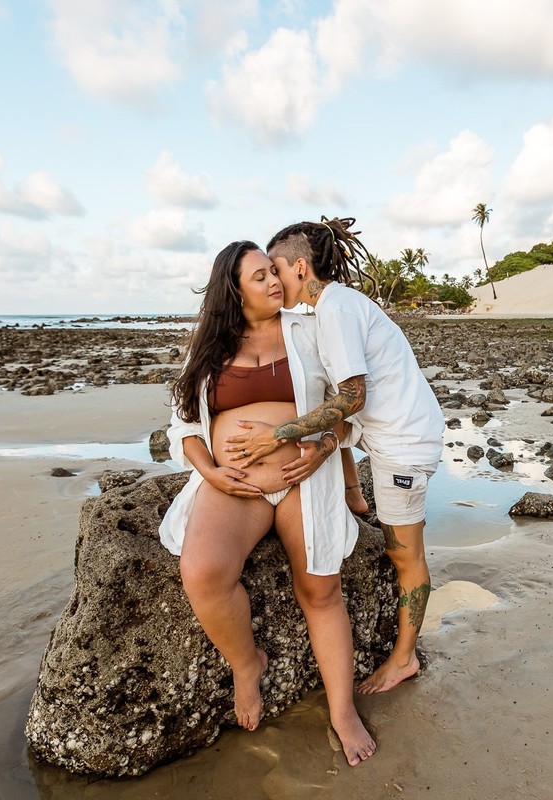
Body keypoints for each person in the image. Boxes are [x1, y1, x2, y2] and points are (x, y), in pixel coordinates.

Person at [157, 240, 376, 766]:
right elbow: (183, 425)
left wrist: (323, 447)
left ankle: (343, 711)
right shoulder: (208, 349)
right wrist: (210, 470)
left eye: (273, 272)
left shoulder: (311, 330)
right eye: (260, 277)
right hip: (237, 485)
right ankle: (246, 664)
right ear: (233, 292)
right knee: (203, 573)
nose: (275, 282)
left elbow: (351, 412)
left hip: (304, 478)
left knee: (320, 589)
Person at [224, 217, 444, 695]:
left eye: (276, 269)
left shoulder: (336, 310)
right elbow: (341, 406)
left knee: (405, 555)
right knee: (334, 437)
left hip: (402, 446)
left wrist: (275, 435)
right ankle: (355, 497)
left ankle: (403, 659)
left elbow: (351, 398)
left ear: (300, 268)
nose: (273, 279)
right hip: (386, 434)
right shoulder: (330, 307)